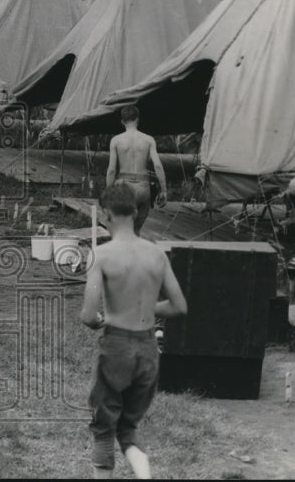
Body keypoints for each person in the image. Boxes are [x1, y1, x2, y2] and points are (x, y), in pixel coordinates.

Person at [81, 183, 188, 479]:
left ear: (107, 214)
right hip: (148, 350)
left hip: (117, 346)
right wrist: (145, 307)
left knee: (104, 429)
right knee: (128, 427)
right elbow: (179, 306)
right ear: (136, 211)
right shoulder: (156, 255)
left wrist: (100, 320)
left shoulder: (100, 255)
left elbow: (88, 315)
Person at [105, 106, 168, 236]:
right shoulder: (148, 139)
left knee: (122, 231)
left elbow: (111, 170)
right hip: (143, 188)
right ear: (137, 120)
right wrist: (164, 190)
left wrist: (108, 192)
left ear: (122, 121)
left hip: (124, 188)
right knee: (136, 231)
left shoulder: (116, 140)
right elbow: (158, 166)